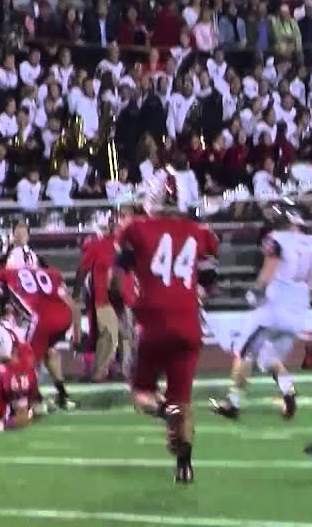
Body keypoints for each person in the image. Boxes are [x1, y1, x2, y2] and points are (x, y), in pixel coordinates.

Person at [111, 167, 220, 483]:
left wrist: (131, 306)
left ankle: (163, 412)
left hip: (152, 320)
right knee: (183, 399)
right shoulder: (200, 233)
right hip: (187, 323)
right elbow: (210, 283)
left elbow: (117, 278)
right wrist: (189, 297)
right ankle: (184, 465)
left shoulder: (136, 230)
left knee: (141, 392)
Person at [211, 201, 312, 421]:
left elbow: (267, 273)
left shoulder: (277, 240)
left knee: (243, 351)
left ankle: (233, 403)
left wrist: (255, 292)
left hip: (273, 308)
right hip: (298, 310)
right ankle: (288, 390)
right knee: (267, 357)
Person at [0, 242, 79, 410]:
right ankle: (63, 395)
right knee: (49, 352)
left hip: (39, 321)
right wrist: (76, 334)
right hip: (64, 317)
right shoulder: (51, 273)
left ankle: (35, 401)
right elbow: (73, 305)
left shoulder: (8, 274)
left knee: (24, 359)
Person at [75, 210, 133, 382]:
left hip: (126, 297)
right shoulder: (97, 245)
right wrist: (76, 294)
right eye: (113, 224)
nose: (116, 227)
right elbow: (83, 269)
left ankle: (124, 371)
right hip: (103, 297)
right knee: (109, 334)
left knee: (126, 336)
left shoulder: (130, 246)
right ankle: (99, 371)